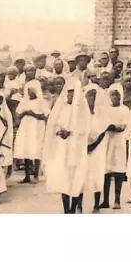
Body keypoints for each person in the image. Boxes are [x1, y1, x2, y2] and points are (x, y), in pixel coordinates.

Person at [43, 77, 89, 213]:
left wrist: (72, 132)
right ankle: (66, 210)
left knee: (76, 179)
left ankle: (74, 207)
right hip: (63, 148)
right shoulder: (61, 108)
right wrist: (60, 132)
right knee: (64, 179)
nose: (70, 95)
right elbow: (53, 125)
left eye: (73, 93)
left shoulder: (82, 110)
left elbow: (85, 129)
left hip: (77, 148)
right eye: (69, 92)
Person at [99, 83, 129, 210]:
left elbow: (122, 127)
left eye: (117, 95)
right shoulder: (105, 109)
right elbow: (102, 124)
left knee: (118, 171)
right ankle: (105, 200)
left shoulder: (124, 109)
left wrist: (110, 126)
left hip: (119, 143)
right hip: (107, 142)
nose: (115, 97)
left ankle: (117, 199)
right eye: (112, 95)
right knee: (106, 171)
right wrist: (111, 126)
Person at [14, 79, 50, 184]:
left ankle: (36, 175)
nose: (30, 92)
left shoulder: (41, 101)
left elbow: (45, 116)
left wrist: (32, 113)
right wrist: (25, 113)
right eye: (28, 90)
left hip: (37, 128)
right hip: (25, 127)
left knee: (36, 149)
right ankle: (27, 175)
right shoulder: (24, 101)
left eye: (32, 90)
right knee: (26, 149)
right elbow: (18, 114)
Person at [83, 83, 109, 213]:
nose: (92, 98)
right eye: (89, 95)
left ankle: (96, 205)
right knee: (81, 175)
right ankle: (78, 204)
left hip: (97, 148)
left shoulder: (101, 114)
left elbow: (103, 131)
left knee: (97, 174)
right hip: (82, 147)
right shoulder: (80, 114)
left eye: (94, 95)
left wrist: (93, 145)